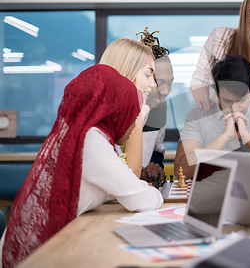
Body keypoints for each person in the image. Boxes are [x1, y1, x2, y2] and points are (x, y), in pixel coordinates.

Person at [1, 65, 163, 268]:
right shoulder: (90, 139)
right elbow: (139, 198)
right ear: (117, 109)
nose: (132, 124)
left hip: (45, 244)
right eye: (131, 113)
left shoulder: (83, 135)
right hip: (36, 257)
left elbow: (108, 187)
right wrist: (157, 193)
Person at [175, 55, 250, 180]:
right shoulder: (197, 117)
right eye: (227, 100)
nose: (234, 108)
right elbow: (180, 171)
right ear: (216, 93)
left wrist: (247, 137)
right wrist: (224, 138)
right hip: (207, 194)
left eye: (241, 101)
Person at [99, 38, 157, 178]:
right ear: (126, 73)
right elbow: (131, 183)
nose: (154, 84)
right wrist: (137, 125)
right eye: (148, 75)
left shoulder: (120, 120)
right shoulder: (97, 126)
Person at [136, 28, 174, 179]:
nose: (166, 91)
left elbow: (156, 150)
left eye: (170, 83)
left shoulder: (159, 108)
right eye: (159, 82)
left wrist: (155, 167)